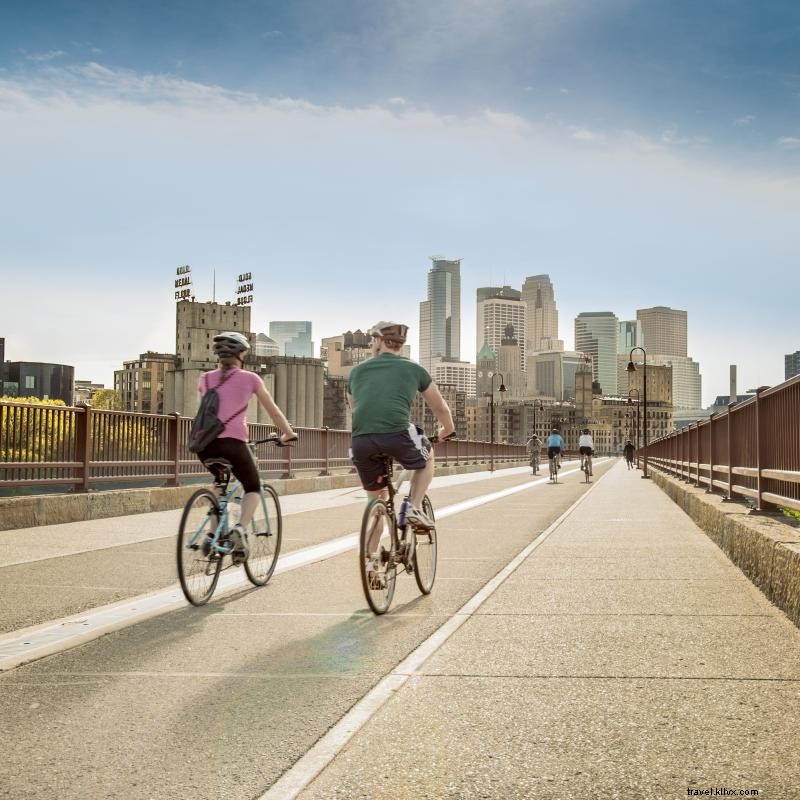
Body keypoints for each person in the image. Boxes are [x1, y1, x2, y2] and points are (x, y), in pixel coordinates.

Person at [195, 331, 297, 562]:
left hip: (205, 446)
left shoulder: (205, 379)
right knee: (253, 486)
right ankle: (240, 528)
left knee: (219, 485)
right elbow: (273, 411)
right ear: (242, 354)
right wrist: (288, 433)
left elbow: (206, 412)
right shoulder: (251, 379)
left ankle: (212, 536)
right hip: (234, 444)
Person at [347, 321, 456, 529]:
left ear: (378, 341)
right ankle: (413, 507)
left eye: (373, 340)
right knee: (428, 453)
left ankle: (371, 559)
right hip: (397, 434)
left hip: (361, 441)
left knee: (375, 502)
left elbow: (355, 408)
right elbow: (439, 407)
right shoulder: (413, 368)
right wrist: (447, 430)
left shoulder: (356, 372)